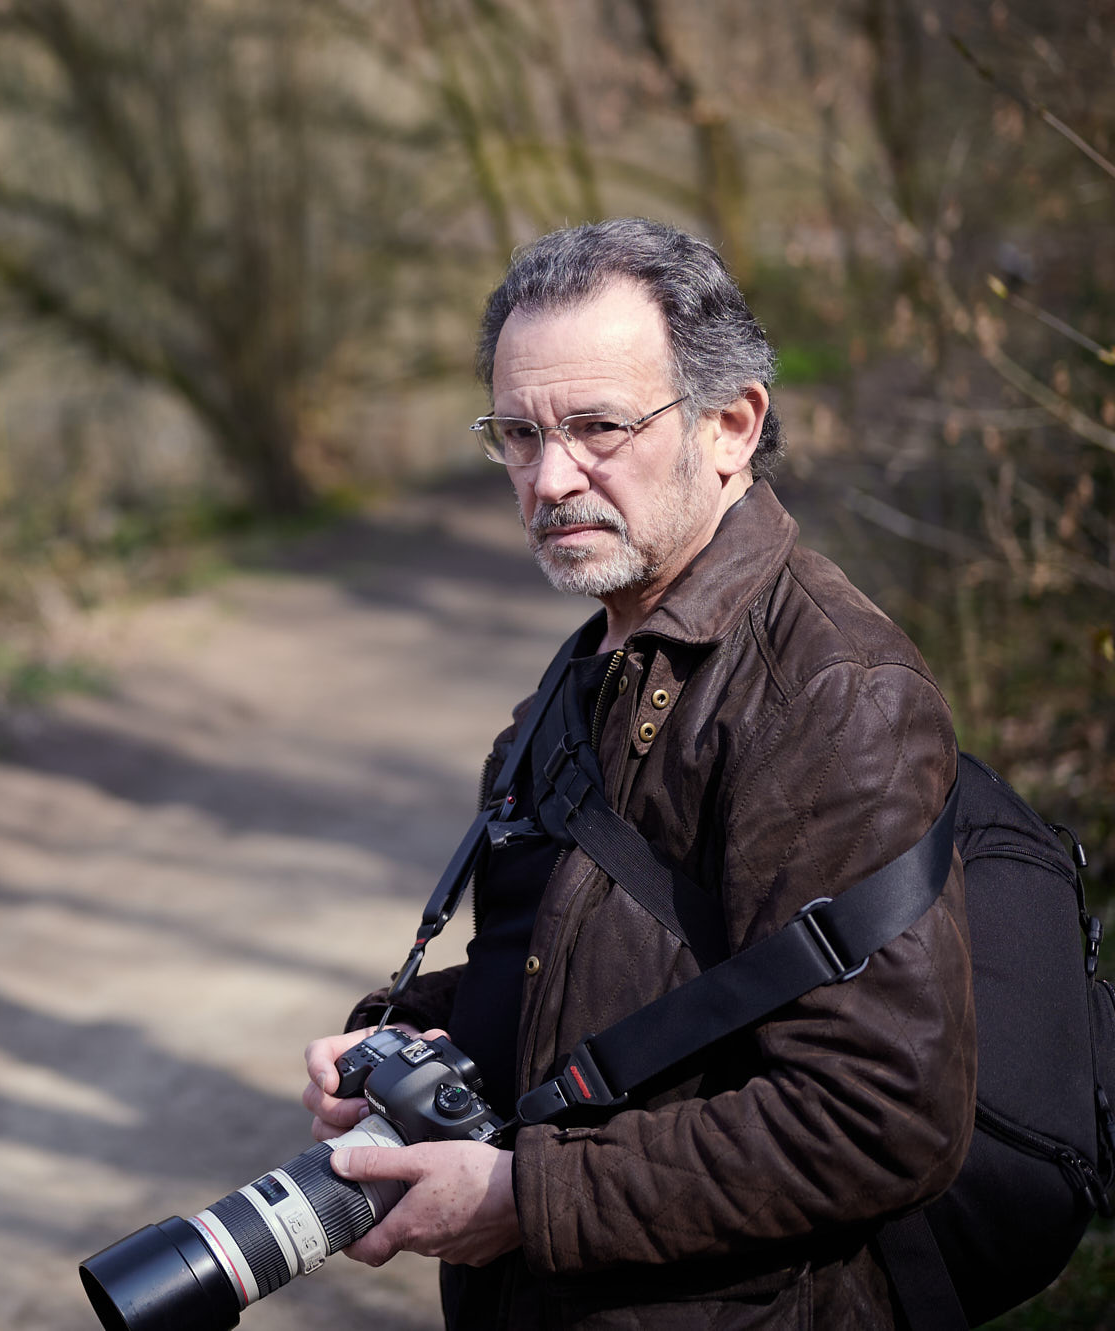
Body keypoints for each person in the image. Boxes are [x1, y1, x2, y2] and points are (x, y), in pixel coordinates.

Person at [300, 218, 975, 1328]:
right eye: (516, 434)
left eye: (598, 426)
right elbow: (604, 967)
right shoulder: (593, 662)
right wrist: (407, 1036)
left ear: (730, 426)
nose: (550, 475)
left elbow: (883, 1112)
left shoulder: (829, 693)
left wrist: (527, 1196)